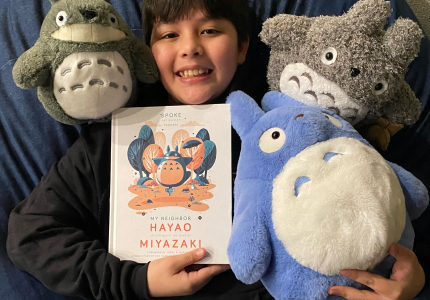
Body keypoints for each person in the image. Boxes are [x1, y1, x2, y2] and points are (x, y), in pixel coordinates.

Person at [5, 1, 426, 300]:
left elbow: (375, 206)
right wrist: (136, 281)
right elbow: (31, 235)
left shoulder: (291, 127)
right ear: (148, 56)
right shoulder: (114, 141)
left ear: (242, 46)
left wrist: (408, 277)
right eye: (169, 35)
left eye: (210, 30)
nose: (189, 47)